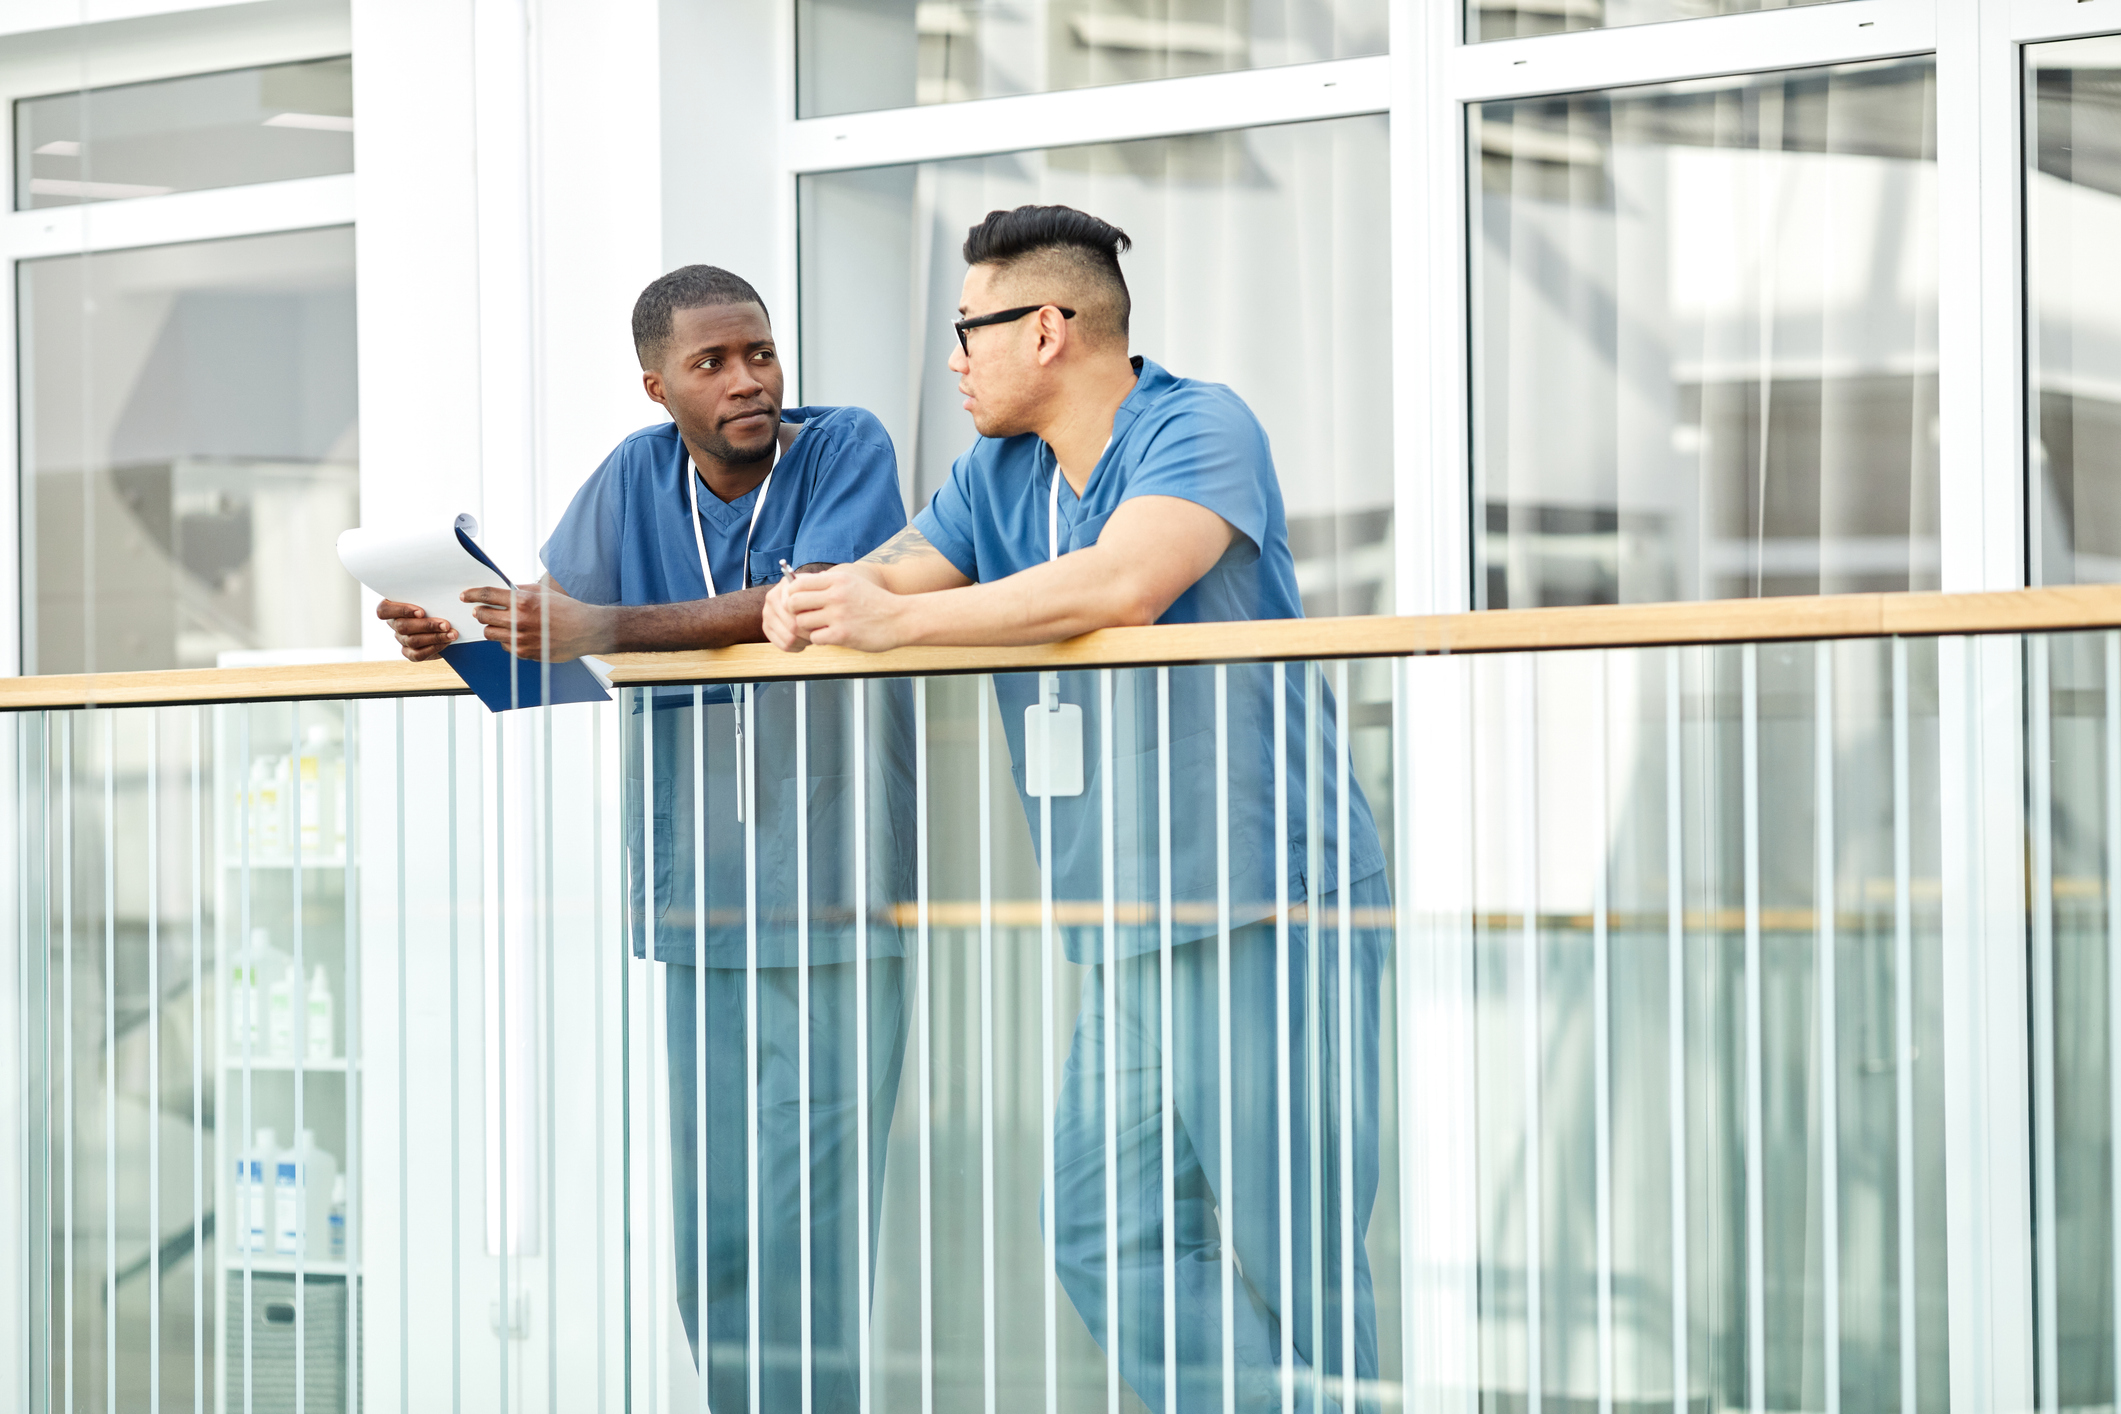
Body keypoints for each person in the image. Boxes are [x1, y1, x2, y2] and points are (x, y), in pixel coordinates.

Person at [763, 206, 1390, 1413]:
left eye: (968, 331)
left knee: (1295, 1256)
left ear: (1046, 328)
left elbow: (1127, 580)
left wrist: (891, 618)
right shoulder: (995, 474)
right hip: (1126, 918)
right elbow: (898, 574)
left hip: (1265, 898)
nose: (954, 359)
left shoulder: (1198, 427)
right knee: (1108, 1231)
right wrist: (820, 597)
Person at [377, 264, 914, 1412]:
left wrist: (598, 622)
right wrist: (460, 635)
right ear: (656, 386)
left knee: (808, 1237)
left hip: (830, 899)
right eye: (713, 364)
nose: (749, 380)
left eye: (759, 353)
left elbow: (807, 607)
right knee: (712, 1239)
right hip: (697, 907)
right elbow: (552, 651)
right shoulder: (635, 474)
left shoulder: (846, 447)